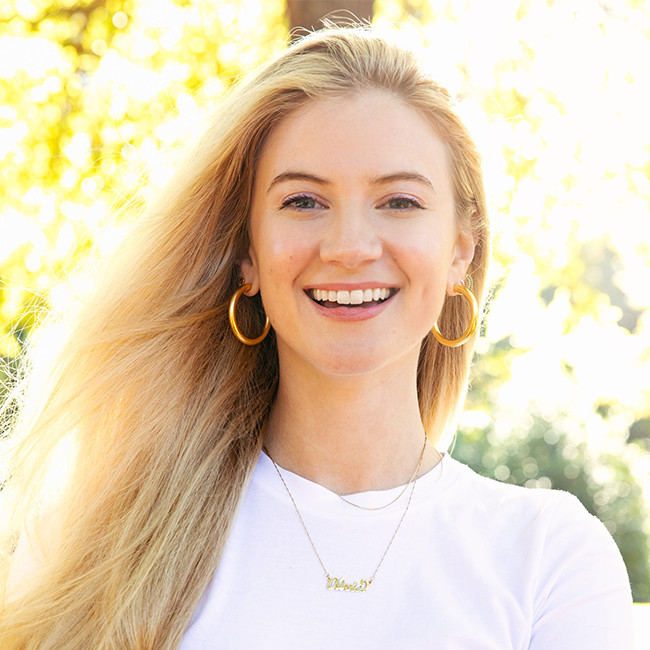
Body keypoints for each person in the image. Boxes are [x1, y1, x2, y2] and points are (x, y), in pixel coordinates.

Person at [0, 24, 633, 650]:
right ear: (246, 253)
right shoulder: (105, 547)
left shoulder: (548, 559)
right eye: (303, 201)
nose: (350, 248)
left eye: (400, 202)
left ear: (460, 250)